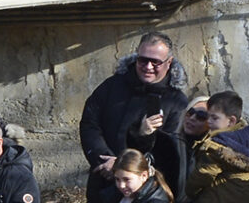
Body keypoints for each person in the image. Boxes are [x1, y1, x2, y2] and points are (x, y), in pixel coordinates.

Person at [78, 32, 190, 174]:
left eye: (155, 62)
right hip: (104, 172)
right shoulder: (112, 86)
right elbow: (90, 124)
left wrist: (126, 166)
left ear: (169, 62)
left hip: (145, 181)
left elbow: (170, 151)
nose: (148, 67)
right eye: (143, 60)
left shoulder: (176, 102)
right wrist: (104, 158)